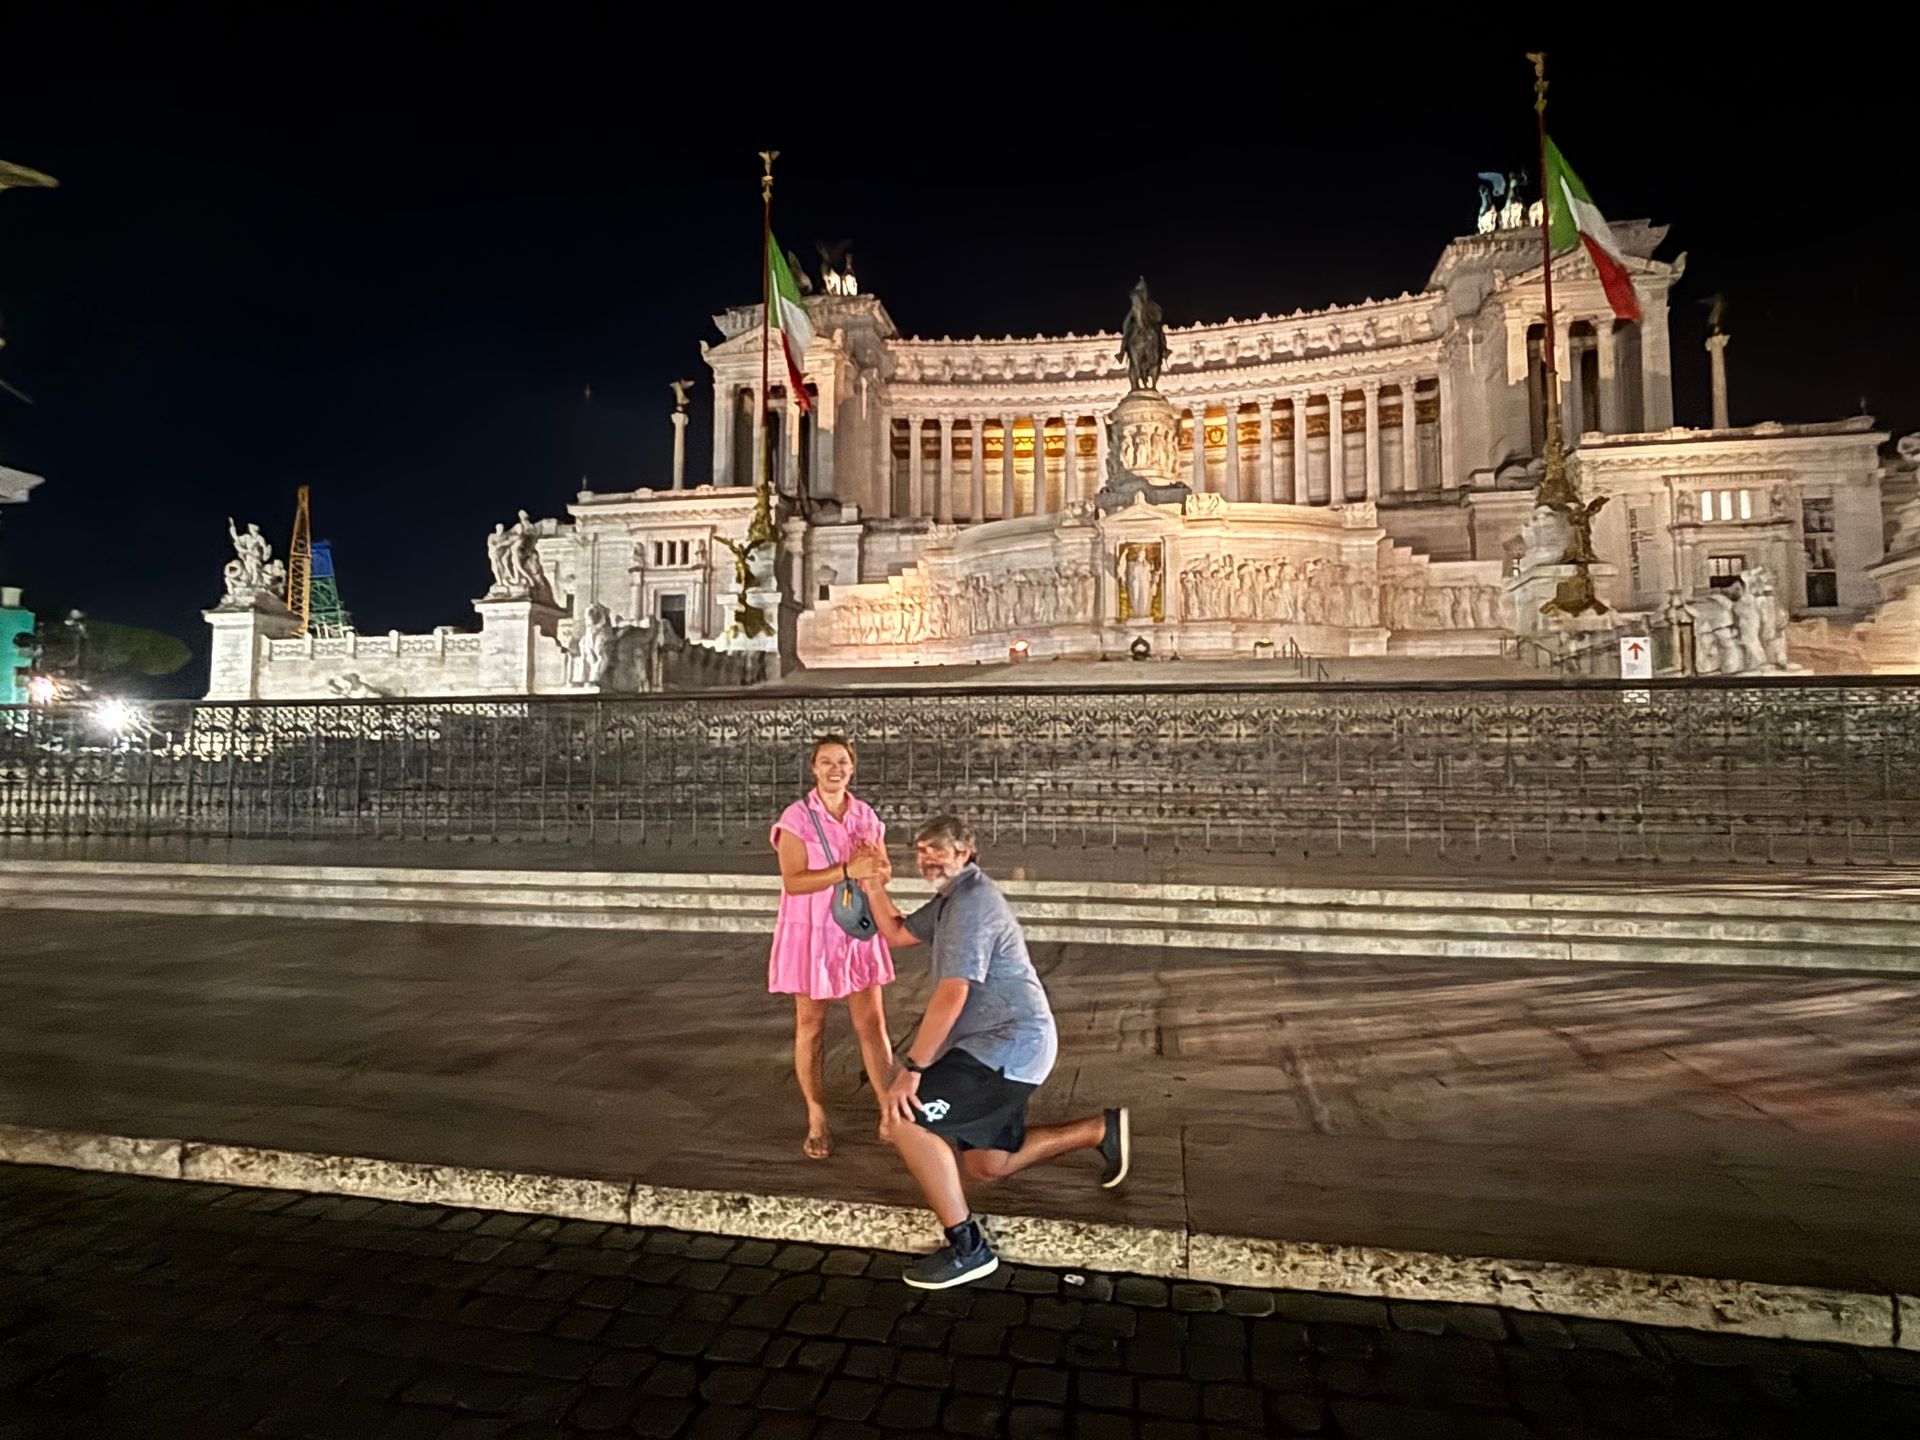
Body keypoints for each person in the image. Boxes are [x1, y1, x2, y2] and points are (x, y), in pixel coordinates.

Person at [861, 813, 1129, 1289]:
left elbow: (952, 995)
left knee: (905, 1117)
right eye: (921, 851)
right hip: (1002, 1045)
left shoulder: (971, 906)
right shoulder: (953, 898)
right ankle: (1098, 1130)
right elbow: (899, 933)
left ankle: (968, 1247)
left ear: (965, 852)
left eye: (937, 850)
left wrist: (913, 1068)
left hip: (1007, 1046)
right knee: (986, 1165)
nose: (926, 860)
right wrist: (871, 886)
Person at [768, 735, 896, 1160]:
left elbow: (884, 870)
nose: (835, 768)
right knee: (811, 1025)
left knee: (872, 1023)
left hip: (855, 928)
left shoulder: (864, 815)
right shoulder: (796, 819)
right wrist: (845, 868)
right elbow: (794, 880)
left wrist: (874, 867)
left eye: (842, 761)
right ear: (813, 769)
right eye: (826, 762)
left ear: (852, 768)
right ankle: (816, 1115)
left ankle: (888, 1110)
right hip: (811, 932)